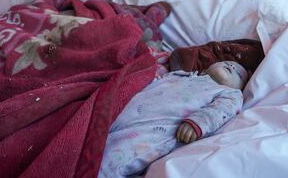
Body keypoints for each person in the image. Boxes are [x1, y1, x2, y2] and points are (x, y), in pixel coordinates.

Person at [99, 61, 248, 177]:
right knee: (96, 139)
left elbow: (221, 110)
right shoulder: (181, 74)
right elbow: (154, 78)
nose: (231, 67)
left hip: (155, 130)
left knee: (114, 160)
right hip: (127, 113)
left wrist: (198, 122)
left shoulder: (230, 93)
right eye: (226, 62)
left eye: (239, 74)